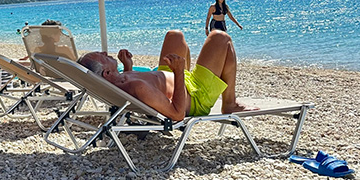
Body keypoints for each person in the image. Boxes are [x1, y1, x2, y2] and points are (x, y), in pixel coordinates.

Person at [79, 30, 257, 121]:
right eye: (101, 55)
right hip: (194, 94)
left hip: (173, 77)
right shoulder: (136, 87)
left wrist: (128, 67)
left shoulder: (118, 81)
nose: (104, 51)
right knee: (220, 37)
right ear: (107, 72)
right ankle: (230, 103)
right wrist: (179, 71)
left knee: (174, 35)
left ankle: (194, 68)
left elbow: (127, 86)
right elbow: (177, 114)